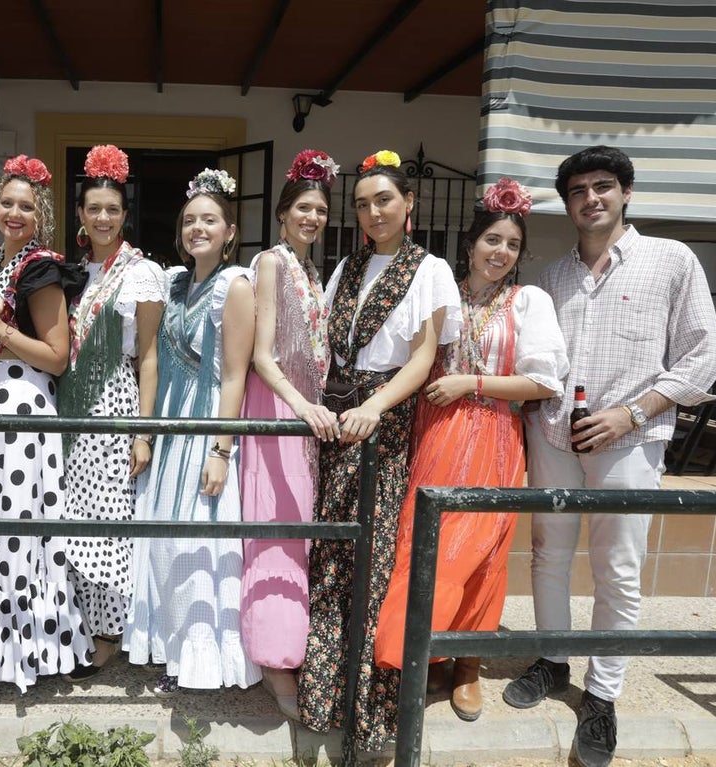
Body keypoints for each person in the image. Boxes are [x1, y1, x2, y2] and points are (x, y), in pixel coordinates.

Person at [503, 146, 716, 767]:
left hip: (629, 440)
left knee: (618, 570)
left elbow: (702, 357)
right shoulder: (549, 278)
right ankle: (552, 657)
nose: (591, 198)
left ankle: (602, 696)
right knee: (548, 553)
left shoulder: (670, 261)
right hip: (553, 437)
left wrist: (632, 412)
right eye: (578, 190)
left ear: (626, 193)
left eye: (603, 186)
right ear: (568, 203)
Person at [373, 178, 569, 721]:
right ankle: (418, 654)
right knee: (424, 544)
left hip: (494, 438)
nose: (501, 253)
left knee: (481, 553)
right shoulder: (440, 293)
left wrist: (471, 384)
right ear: (470, 243)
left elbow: (545, 382)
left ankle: (467, 666)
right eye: (492, 241)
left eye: (511, 245)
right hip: (434, 435)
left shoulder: (529, 301)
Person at [297, 149, 462, 750]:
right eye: (363, 203)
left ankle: (369, 711)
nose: (372, 212)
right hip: (339, 416)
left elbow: (421, 358)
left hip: (383, 422)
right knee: (333, 557)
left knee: (373, 561)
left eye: (384, 199)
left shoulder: (430, 271)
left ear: (409, 203)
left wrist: (375, 407)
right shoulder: (347, 268)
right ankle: (324, 698)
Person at [124, 168, 260, 696]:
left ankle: (205, 659)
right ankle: (173, 651)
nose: (198, 228)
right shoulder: (174, 281)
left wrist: (221, 449)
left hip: (207, 425)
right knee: (165, 541)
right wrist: (147, 431)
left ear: (229, 231)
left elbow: (234, 374)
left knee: (199, 539)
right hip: (171, 427)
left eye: (210, 220)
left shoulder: (236, 285)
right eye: (190, 221)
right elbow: (153, 358)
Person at [0, 154, 91, 691]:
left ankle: (30, 644)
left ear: (41, 215)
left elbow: (58, 356)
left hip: (20, 401)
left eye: (26, 206)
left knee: (18, 522)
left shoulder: (40, 268)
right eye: (7, 203)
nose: (15, 213)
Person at [58, 146, 166, 679]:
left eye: (112, 210)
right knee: (72, 515)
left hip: (115, 403)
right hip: (71, 406)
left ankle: (107, 633)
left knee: (106, 519)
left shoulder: (142, 273)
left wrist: (142, 432)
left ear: (125, 215)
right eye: (93, 208)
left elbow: (148, 356)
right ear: (80, 213)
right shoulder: (73, 271)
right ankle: (79, 622)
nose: (102, 218)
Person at [240, 151, 340, 719]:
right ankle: (276, 664)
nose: (313, 216)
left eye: (321, 209)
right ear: (282, 214)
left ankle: (293, 651)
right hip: (281, 410)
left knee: (298, 532)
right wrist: (303, 406)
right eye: (303, 207)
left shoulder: (310, 270)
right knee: (277, 529)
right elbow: (262, 356)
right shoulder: (272, 263)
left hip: (305, 415)